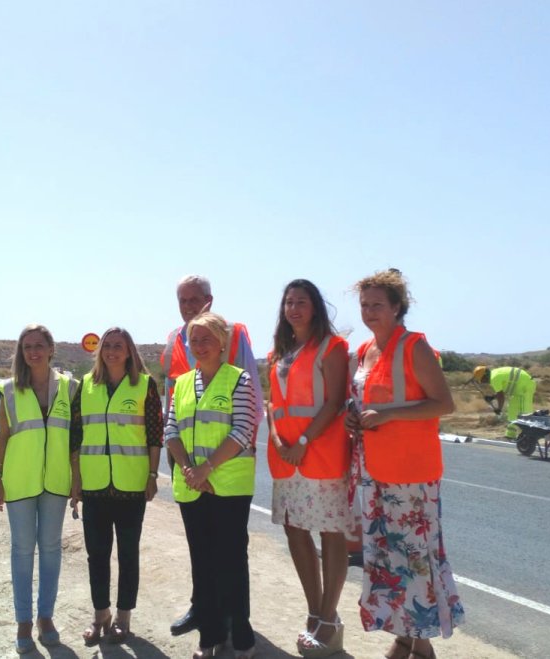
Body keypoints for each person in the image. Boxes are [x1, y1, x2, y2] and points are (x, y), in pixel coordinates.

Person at [346, 270, 464, 659]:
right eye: (364, 304)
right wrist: (356, 417)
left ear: (398, 307)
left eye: (378, 304)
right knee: (386, 559)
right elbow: (365, 403)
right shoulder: (364, 351)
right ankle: (405, 636)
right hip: (374, 471)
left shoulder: (414, 346)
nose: (369, 311)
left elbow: (443, 404)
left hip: (412, 475)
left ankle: (421, 643)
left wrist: (388, 413)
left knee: (416, 559)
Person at [162, 274, 263, 637]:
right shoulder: (175, 338)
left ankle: (234, 622)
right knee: (200, 549)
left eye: (195, 299)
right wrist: (188, 466)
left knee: (229, 553)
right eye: (183, 301)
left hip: (224, 465)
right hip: (188, 460)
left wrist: (214, 463)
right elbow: (172, 395)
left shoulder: (234, 333)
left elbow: (250, 407)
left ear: (209, 299)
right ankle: (203, 611)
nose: (189, 306)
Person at [267, 280, 357, 657]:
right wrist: (275, 438)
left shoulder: (332, 347)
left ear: (316, 308)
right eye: (288, 302)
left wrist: (302, 442)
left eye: (301, 302)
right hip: (287, 459)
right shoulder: (280, 353)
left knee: (330, 533)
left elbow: (336, 400)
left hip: (319, 454)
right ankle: (314, 610)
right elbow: (273, 404)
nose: (293, 308)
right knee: (294, 529)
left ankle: (330, 619)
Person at [71, 327, 163, 647]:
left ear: (129, 351)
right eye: (107, 346)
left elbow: (154, 435)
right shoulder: (85, 386)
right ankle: (101, 616)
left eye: (118, 346)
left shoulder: (145, 385)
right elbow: (76, 436)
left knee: (127, 554)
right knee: (96, 555)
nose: (111, 351)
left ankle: (124, 618)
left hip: (131, 485)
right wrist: (76, 479)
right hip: (95, 484)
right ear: (100, 351)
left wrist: (152, 475)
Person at [0, 325, 76, 654]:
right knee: (23, 550)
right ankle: (23, 620)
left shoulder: (70, 388)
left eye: (39, 345)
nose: (33, 352)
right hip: (20, 479)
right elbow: (2, 435)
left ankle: (46, 616)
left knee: (51, 548)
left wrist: (77, 478)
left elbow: (75, 440)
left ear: (51, 348)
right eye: (27, 347)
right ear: (21, 352)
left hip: (56, 481)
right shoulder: (9, 389)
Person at [472, 365, 536, 439]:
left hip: (524, 387)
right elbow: (501, 391)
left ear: (485, 376)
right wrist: (492, 397)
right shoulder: (494, 375)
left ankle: (529, 436)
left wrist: (499, 409)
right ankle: (510, 435)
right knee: (512, 411)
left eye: (482, 380)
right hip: (520, 389)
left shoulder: (494, 378)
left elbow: (501, 396)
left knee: (523, 413)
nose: (482, 382)